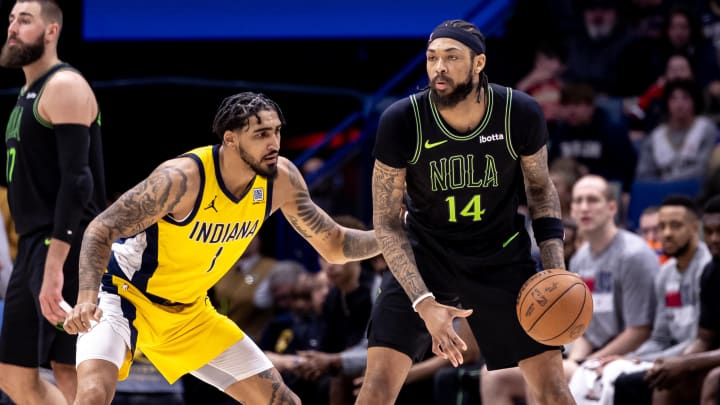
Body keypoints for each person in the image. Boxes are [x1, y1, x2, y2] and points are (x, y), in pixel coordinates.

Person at [61, 91, 381, 405]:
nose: (274, 144)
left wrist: (393, 234)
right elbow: (101, 228)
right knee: (92, 395)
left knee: (283, 401)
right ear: (230, 139)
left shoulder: (281, 179)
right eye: (261, 134)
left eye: (277, 132)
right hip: (124, 297)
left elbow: (335, 246)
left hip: (190, 312)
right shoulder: (182, 179)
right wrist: (86, 299)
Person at [355, 19, 574, 405]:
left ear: (478, 63)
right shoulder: (402, 120)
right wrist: (423, 303)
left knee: (553, 390)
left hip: (501, 256)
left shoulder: (517, 112)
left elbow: (541, 191)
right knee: (375, 389)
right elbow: (387, 223)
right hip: (426, 253)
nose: (438, 67)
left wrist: (555, 270)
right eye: (432, 58)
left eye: (451, 57)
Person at [0, 1, 106, 404]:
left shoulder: (64, 86)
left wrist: (55, 263)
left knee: (59, 370)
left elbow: (79, 183)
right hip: (35, 244)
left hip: (65, 243)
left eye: (24, 20)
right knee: (31, 373)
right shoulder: (29, 91)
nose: (12, 28)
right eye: (10, 19)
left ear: (51, 31)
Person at [481, 174, 658, 404]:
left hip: (632, 355)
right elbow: (581, 326)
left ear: (612, 207)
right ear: (570, 210)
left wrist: (585, 362)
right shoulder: (582, 258)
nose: (584, 207)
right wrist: (576, 358)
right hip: (592, 351)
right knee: (494, 376)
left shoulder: (633, 255)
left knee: (548, 378)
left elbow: (639, 331)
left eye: (593, 200)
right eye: (578, 201)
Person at [568, 195, 711, 404]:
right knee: (603, 372)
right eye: (662, 226)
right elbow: (659, 338)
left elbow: (696, 341)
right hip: (667, 355)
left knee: (625, 381)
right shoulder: (665, 273)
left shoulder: (706, 270)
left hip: (692, 359)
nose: (667, 234)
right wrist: (629, 357)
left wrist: (642, 359)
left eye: (676, 226)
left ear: (694, 228)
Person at [613, 194, 720, 405]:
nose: (715, 238)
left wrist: (685, 363)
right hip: (706, 356)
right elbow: (704, 339)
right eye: (709, 232)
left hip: (711, 364)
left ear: (692, 228)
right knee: (659, 381)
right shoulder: (712, 272)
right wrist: (673, 364)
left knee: (714, 381)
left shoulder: (702, 267)